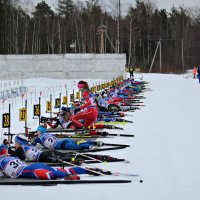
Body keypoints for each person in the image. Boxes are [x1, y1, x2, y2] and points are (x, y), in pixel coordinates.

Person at [0, 154, 106, 180]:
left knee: (49, 175)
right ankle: (86, 170)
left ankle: (68, 176)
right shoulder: (11, 157)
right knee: (59, 169)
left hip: (26, 171)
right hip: (33, 165)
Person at [11, 135, 83, 164]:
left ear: (18, 143)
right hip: (46, 152)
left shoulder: (20, 149)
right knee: (63, 155)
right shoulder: (28, 145)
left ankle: (75, 160)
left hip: (43, 156)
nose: (14, 145)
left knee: (60, 159)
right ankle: (77, 157)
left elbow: (12, 157)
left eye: (15, 143)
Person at [32, 125, 103, 150]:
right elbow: (55, 136)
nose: (37, 132)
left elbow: (32, 145)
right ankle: (94, 142)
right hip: (64, 141)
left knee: (77, 147)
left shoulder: (38, 138)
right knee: (78, 143)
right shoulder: (48, 134)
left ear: (40, 131)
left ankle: (89, 147)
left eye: (37, 131)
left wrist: (31, 140)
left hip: (62, 145)